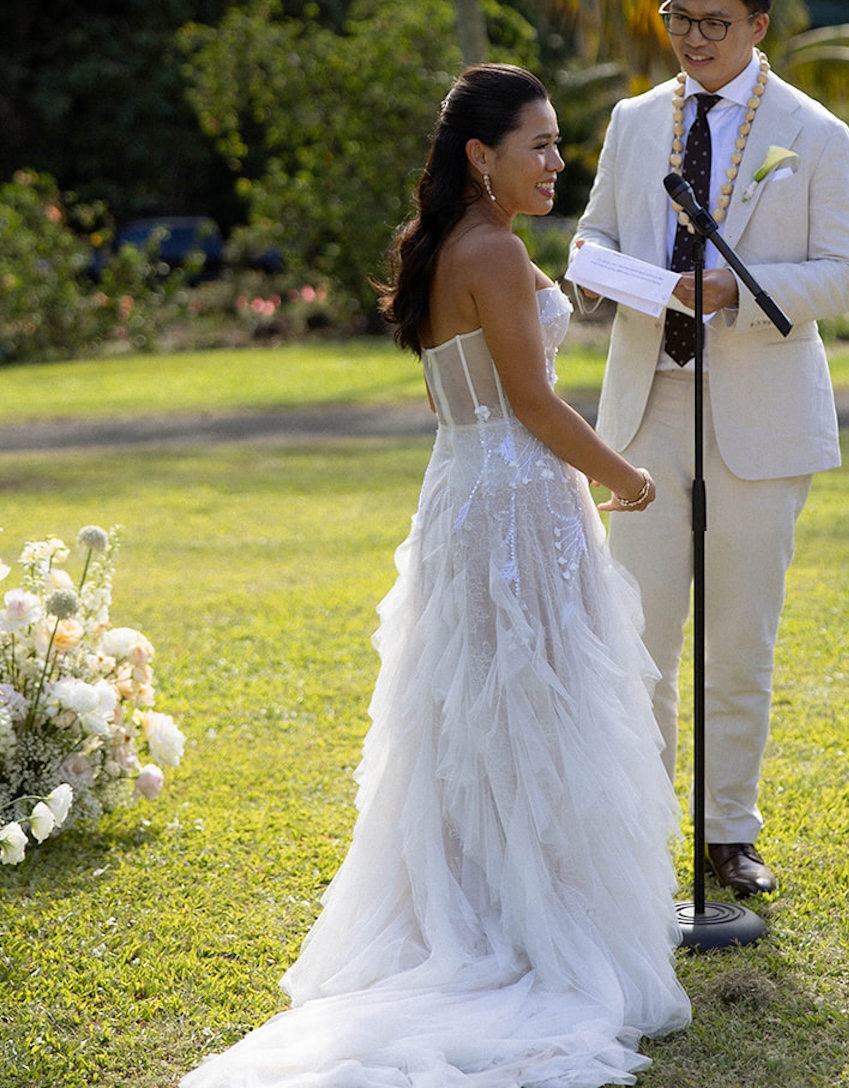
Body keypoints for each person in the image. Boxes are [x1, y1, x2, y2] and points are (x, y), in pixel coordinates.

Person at [182, 65, 690, 1088]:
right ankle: (529, 920)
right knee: (535, 705)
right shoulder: (494, 251)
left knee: (482, 711)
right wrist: (628, 477)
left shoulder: (437, 246)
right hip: (513, 502)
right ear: (480, 155)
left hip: (463, 489)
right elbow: (536, 406)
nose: (556, 162)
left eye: (556, 144)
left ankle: (486, 897)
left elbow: (456, 397)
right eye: (538, 146)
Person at [574, 0, 849, 898]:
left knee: (739, 641)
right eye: (676, 18)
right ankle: (635, 837)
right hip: (645, 405)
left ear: (757, 21)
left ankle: (726, 834)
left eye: (712, 21)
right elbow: (591, 240)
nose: (692, 39)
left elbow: (847, 275)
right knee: (639, 640)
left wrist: (734, 293)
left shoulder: (814, 132)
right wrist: (599, 278)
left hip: (760, 416)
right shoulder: (631, 121)